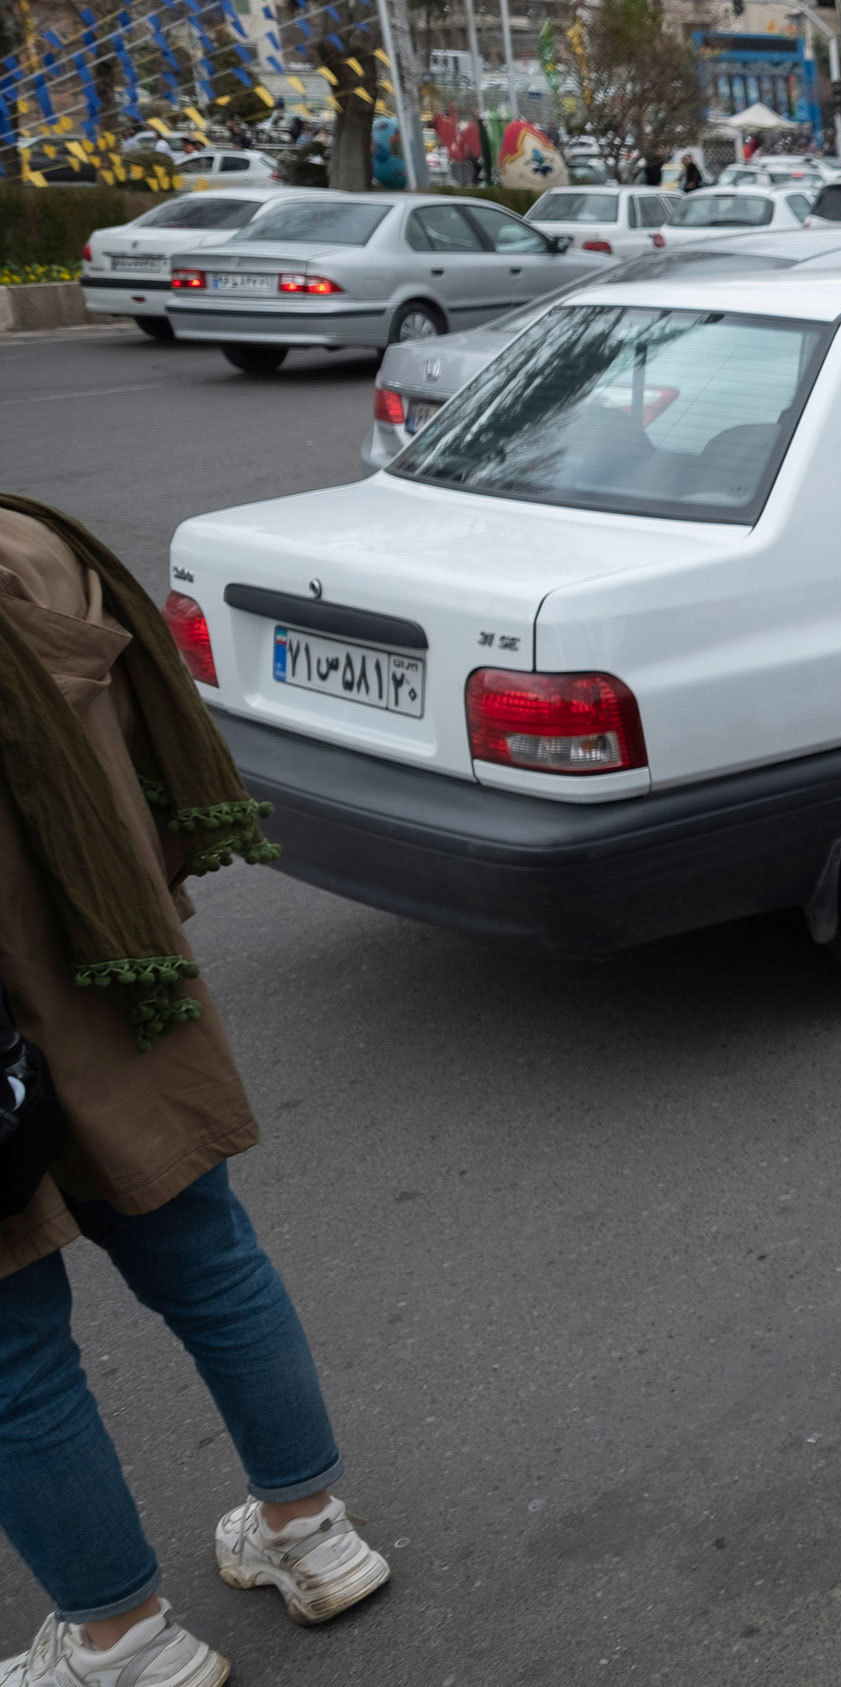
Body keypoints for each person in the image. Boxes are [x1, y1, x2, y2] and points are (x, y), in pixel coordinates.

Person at [0, 500, 391, 1686]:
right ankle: (311, 1532)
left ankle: (122, 1640)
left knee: (12, 1347)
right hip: (113, 976)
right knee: (209, 1259)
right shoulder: (36, 543)